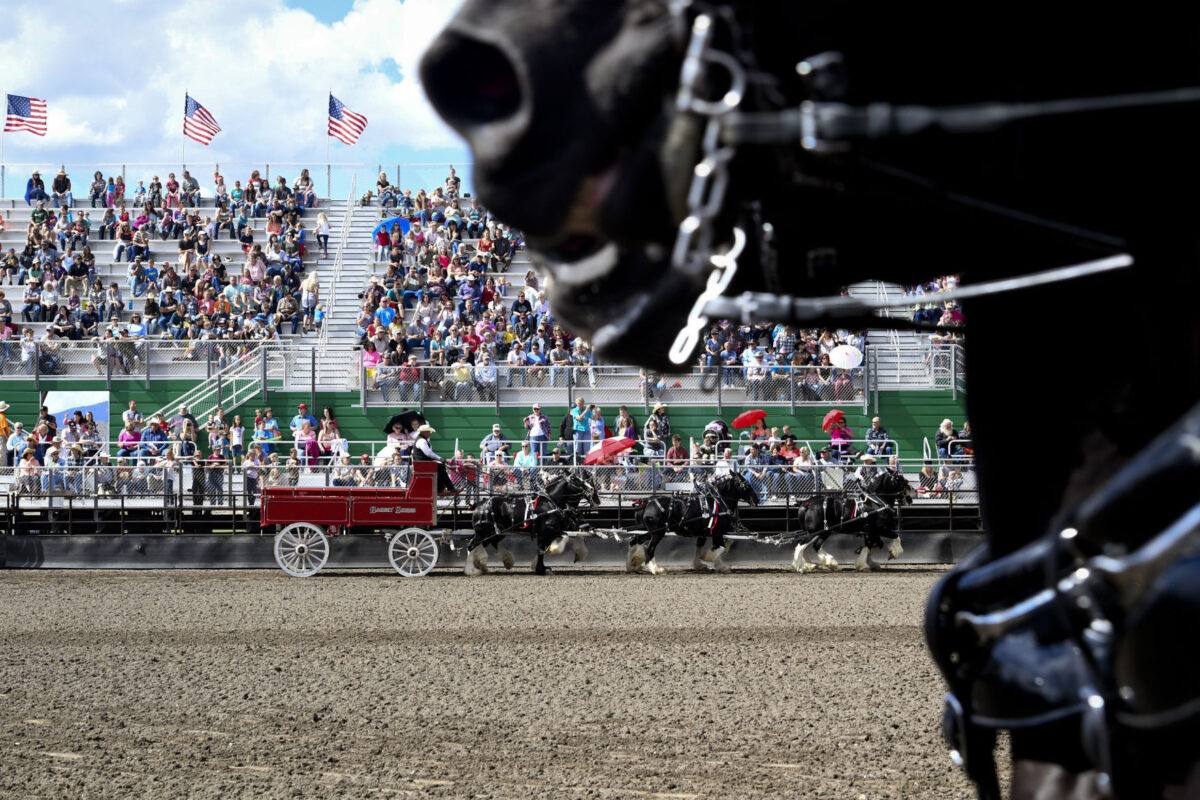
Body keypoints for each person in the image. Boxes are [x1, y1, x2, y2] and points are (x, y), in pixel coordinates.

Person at [412, 423, 458, 494]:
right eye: (428, 431)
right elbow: (428, 453)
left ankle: (445, 488)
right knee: (440, 467)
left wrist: (438, 459)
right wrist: (439, 458)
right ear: (424, 432)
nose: (430, 433)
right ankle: (446, 488)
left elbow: (428, 453)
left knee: (440, 466)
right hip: (422, 464)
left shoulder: (421, 440)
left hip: (422, 463)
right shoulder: (422, 441)